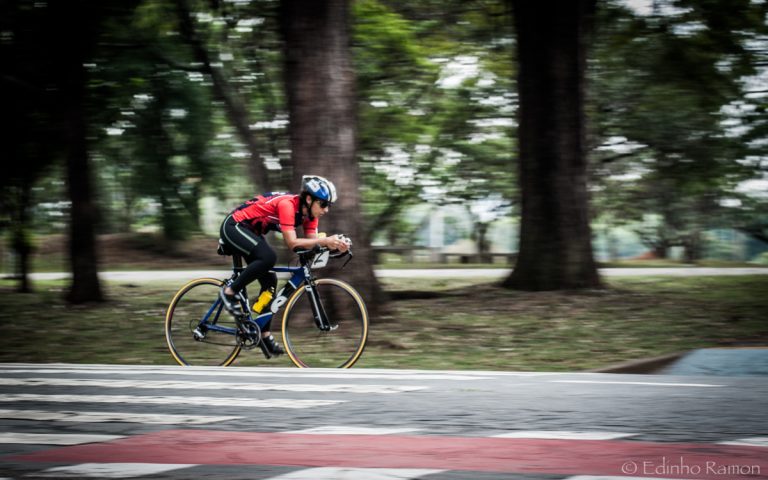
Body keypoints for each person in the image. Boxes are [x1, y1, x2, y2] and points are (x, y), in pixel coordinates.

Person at [218, 175, 350, 356]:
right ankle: (229, 292)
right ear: (309, 199)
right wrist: (326, 240)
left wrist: (336, 245)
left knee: (270, 281)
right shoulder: (288, 205)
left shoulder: (311, 216)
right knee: (269, 258)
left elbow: (312, 244)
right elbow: (293, 243)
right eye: (323, 204)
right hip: (234, 226)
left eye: (329, 205)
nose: (326, 210)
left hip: (251, 232)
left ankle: (263, 335)